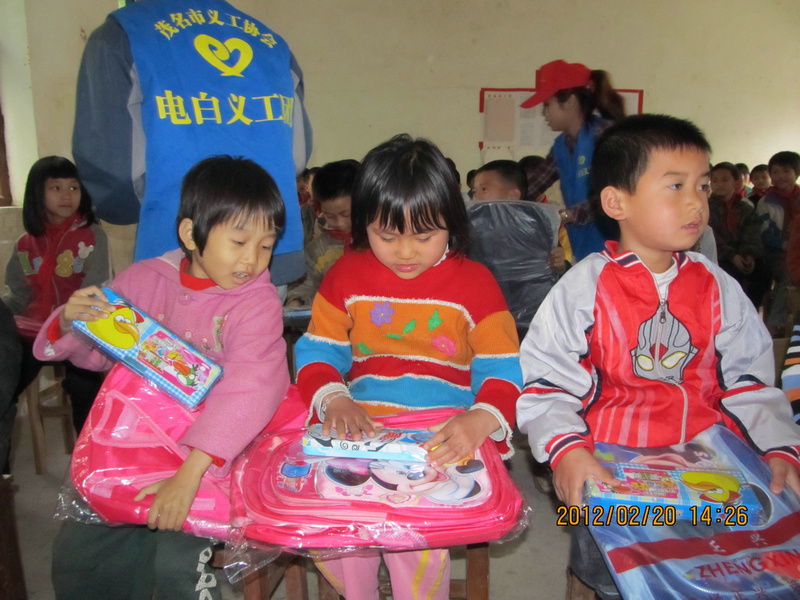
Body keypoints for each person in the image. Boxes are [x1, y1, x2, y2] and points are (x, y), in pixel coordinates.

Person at [516, 114, 800, 599]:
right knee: (610, 577)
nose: (696, 202)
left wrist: (779, 446)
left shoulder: (717, 286)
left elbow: (749, 382)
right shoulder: (585, 287)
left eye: (703, 186)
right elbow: (548, 382)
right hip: (609, 465)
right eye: (675, 186)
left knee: (715, 570)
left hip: (708, 464)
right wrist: (567, 450)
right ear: (616, 202)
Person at [35, 156, 290, 600]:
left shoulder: (257, 303)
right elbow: (99, 355)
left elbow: (250, 388)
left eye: (266, 246)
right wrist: (71, 322)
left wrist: (189, 475)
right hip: (134, 449)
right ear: (191, 234)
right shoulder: (144, 280)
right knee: (80, 559)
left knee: (178, 567)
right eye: (239, 241)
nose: (252, 260)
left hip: (214, 459)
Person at [295, 134, 522, 600]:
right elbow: (318, 353)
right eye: (387, 236)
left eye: (424, 236)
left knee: (414, 538)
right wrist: (335, 398)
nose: (405, 253)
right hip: (362, 426)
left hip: (443, 433)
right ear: (363, 223)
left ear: (452, 223)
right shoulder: (345, 276)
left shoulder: (476, 284)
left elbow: (502, 370)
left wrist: (480, 419)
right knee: (336, 527)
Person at [72, 0, 312, 291]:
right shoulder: (270, 42)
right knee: (258, 320)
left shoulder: (122, 35)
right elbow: (297, 157)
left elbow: (111, 167)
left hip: (174, 248)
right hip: (265, 249)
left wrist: (128, 212)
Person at [2, 156, 109, 447]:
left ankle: (87, 455)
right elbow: (18, 295)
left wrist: (69, 323)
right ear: (38, 193)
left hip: (79, 331)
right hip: (34, 332)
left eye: (74, 188)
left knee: (85, 387)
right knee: (6, 383)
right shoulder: (25, 243)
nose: (66, 195)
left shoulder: (93, 236)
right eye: (56, 188)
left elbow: (96, 289)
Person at [520, 59, 626, 261]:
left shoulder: (605, 136)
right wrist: (506, 205)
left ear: (569, 101)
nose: (544, 114)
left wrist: (568, 215)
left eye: (547, 105)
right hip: (584, 250)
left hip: (616, 249)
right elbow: (532, 187)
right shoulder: (561, 146)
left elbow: (619, 191)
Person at [471, 160, 566, 276]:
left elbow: (560, 272)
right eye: (474, 192)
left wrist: (560, 264)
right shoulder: (471, 229)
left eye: (484, 189)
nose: (476, 197)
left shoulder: (538, 226)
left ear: (513, 195)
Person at [287, 159, 360, 307]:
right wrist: (297, 301)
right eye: (330, 216)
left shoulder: (379, 242)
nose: (339, 223)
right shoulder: (319, 249)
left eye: (346, 214)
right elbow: (305, 286)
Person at [708, 161, 767, 307]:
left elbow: (751, 234)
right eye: (715, 180)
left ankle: (751, 311)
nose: (719, 184)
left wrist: (748, 254)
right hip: (718, 256)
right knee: (728, 274)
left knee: (763, 272)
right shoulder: (706, 207)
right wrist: (732, 256)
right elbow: (711, 237)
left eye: (725, 180)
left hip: (741, 254)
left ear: (735, 181)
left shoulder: (745, 207)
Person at [756, 151, 800, 336]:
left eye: (786, 171)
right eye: (775, 172)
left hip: (796, 251)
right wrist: (787, 246)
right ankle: (773, 326)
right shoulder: (766, 202)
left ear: (796, 173)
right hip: (774, 253)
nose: (780, 176)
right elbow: (767, 235)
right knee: (789, 276)